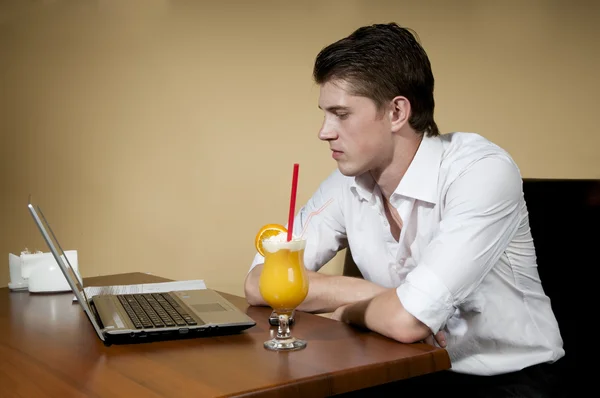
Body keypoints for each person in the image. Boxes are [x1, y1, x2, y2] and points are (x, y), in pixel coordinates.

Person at [244, 22, 564, 397]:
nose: (324, 131)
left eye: (341, 114)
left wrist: (345, 312)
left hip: (507, 380)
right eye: (324, 113)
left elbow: (408, 321)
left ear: (397, 112)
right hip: (399, 365)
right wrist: (371, 296)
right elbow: (259, 282)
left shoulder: (480, 171)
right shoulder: (346, 181)